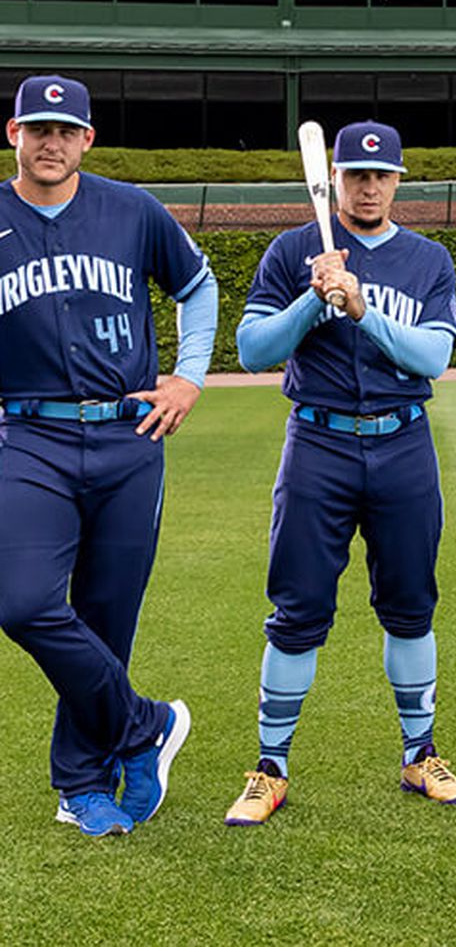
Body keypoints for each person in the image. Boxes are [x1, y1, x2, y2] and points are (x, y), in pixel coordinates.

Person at [224, 120, 456, 826]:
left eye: (380, 175)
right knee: (297, 608)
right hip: (319, 443)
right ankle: (270, 768)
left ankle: (420, 753)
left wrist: (359, 311)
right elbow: (250, 350)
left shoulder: (428, 259)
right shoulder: (293, 249)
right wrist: (313, 299)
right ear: (334, 180)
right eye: (355, 175)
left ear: (397, 180)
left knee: (410, 603)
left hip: (402, 443)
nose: (368, 187)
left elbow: (432, 360)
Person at [0, 74, 216, 837]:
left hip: (130, 435)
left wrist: (189, 377)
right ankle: (146, 726)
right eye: (37, 128)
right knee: (22, 601)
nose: (50, 141)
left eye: (66, 129)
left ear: (88, 139)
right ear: (13, 135)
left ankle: (80, 784)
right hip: (28, 436)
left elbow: (197, 285)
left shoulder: (132, 210)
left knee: (105, 618)